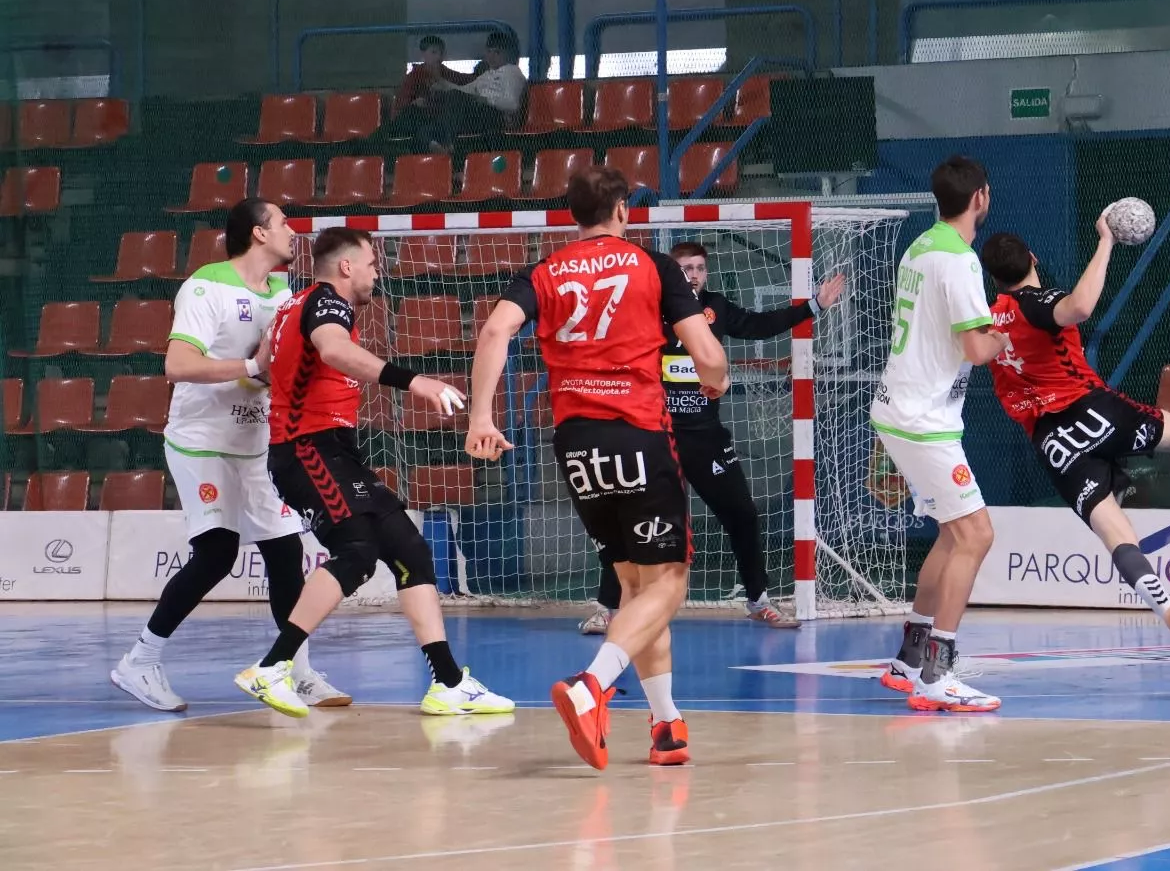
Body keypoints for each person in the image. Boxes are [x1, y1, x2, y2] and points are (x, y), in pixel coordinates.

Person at [466, 167, 728, 769]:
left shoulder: (543, 271)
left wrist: (482, 416)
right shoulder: (653, 265)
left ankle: (666, 726)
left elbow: (495, 331)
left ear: (573, 215)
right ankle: (593, 686)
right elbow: (707, 355)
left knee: (637, 588)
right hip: (636, 431)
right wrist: (716, 381)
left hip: (575, 442)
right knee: (668, 584)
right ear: (622, 212)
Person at [234, 227, 513, 719]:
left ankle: (448, 683)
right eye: (371, 264)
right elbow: (334, 351)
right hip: (307, 449)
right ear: (346, 267)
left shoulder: (292, 306)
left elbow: (269, 366)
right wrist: (416, 381)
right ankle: (273, 667)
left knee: (409, 550)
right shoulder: (327, 305)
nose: (376, 273)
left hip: (333, 450)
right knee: (357, 552)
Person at [980, 224, 1170, 667]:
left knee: (1117, 535)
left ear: (993, 277)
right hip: (1088, 409)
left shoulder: (988, 320)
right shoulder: (1036, 301)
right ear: (1033, 259)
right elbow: (1079, 306)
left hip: (1052, 443)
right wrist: (1105, 241)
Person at [112, 199, 347, 713]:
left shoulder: (284, 292)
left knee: (286, 553)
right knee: (218, 551)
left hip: (258, 442)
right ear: (260, 234)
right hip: (202, 439)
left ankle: (295, 672)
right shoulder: (206, 286)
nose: (292, 232)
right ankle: (140, 661)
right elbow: (177, 364)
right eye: (284, 224)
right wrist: (252, 363)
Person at [580, 242, 848, 635]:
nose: (692, 274)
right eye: (684, 267)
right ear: (669, 272)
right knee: (631, 522)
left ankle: (758, 600)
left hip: (704, 438)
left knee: (742, 514)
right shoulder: (647, 310)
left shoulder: (716, 308)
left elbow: (758, 324)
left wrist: (815, 306)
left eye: (699, 268)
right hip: (655, 437)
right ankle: (607, 608)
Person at [871, 156, 1013, 712]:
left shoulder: (920, 246)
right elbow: (978, 349)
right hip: (922, 421)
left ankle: (908, 661)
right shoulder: (959, 261)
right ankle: (938, 673)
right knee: (976, 536)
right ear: (982, 196)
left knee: (954, 536)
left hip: (900, 409)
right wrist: (1009, 332)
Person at [420, 30, 527, 149]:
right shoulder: (486, 75)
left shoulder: (511, 72)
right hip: (476, 115)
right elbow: (463, 91)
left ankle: (449, 145)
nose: (491, 56)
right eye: (489, 51)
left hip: (495, 116)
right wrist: (442, 83)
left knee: (454, 98)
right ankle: (434, 144)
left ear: (507, 54)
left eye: (496, 52)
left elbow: (512, 104)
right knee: (426, 127)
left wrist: (485, 100)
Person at [384, 35, 475, 144]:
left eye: (440, 53)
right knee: (422, 125)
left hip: (440, 121)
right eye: (433, 52)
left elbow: (465, 80)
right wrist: (415, 103)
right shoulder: (414, 76)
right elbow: (401, 106)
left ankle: (443, 143)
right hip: (418, 119)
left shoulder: (445, 72)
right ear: (423, 54)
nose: (438, 57)